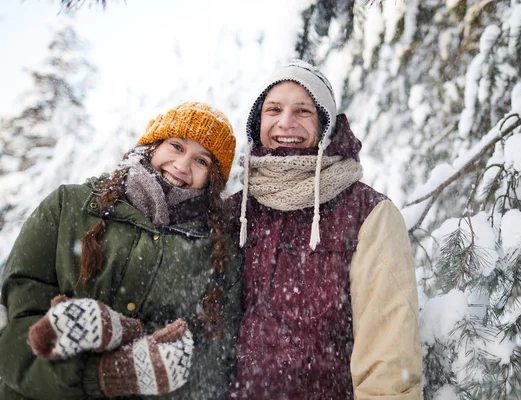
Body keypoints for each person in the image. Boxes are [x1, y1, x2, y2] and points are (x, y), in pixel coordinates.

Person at [0, 102, 242, 399]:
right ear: (152, 146)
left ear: (213, 178)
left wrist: (146, 358)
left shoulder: (217, 253)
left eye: (202, 161)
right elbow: (14, 329)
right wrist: (103, 376)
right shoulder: (67, 207)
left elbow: (214, 364)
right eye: (176, 146)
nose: (182, 165)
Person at [224, 60, 422, 399]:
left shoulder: (369, 214)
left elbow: (388, 357)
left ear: (325, 126)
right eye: (273, 109)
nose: (286, 122)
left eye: (303, 111)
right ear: (258, 123)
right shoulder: (237, 210)